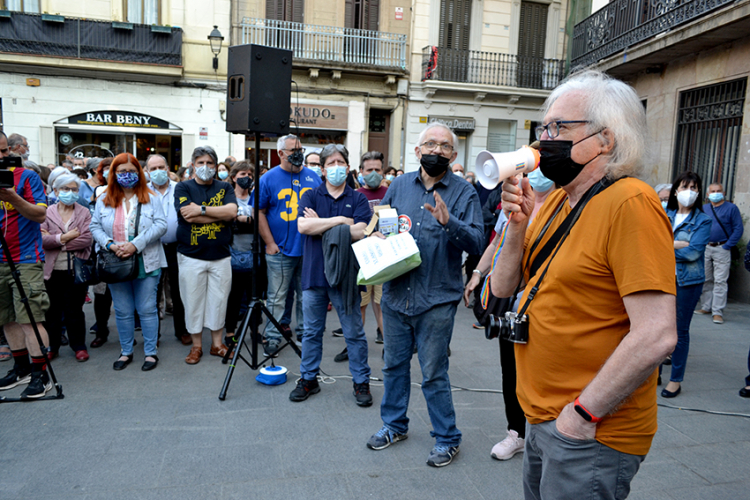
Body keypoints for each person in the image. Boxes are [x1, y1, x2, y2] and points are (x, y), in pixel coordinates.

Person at [489, 70, 677, 499]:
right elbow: (503, 288)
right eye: (544, 127)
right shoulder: (555, 198)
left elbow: (657, 334)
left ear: (606, 140)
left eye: (560, 128)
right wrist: (518, 225)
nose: (544, 140)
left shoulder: (630, 203)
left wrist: (581, 415)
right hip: (541, 416)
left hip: (588, 429)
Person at [366, 122, 483, 467]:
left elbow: (476, 242)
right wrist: (377, 239)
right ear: (417, 151)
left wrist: (450, 223)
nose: (436, 151)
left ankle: (447, 438)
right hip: (396, 294)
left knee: (433, 372)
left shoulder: (464, 193)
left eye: (444, 146)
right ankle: (394, 425)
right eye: (430, 144)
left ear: (454, 154)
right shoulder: (398, 186)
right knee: (393, 366)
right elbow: (381, 227)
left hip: (436, 299)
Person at [463, 165, 556, 462]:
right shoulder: (514, 207)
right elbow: (497, 242)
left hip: (545, 308)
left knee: (544, 371)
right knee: (510, 370)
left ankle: (547, 433)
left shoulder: (564, 207)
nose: (534, 177)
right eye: (530, 170)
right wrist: (478, 272)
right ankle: (516, 432)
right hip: (510, 307)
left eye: (541, 169)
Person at [290, 144, 373, 406]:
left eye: (340, 162)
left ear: (347, 168)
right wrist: (340, 221)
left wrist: (323, 224)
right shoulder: (311, 196)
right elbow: (303, 226)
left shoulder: (358, 198)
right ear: (323, 169)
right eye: (330, 163)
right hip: (314, 274)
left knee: (354, 332)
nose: (336, 167)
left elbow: (362, 230)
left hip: (347, 277)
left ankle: (361, 382)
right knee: (312, 332)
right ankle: (309, 379)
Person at [90, 153, 167, 371]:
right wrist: (110, 244)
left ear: (140, 173)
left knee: (146, 309)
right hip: (116, 261)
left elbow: (161, 225)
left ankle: (151, 353)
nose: (127, 175)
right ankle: (126, 352)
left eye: (132, 171)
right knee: (123, 310)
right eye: (122, 171)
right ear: (113, 174)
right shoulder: (104, 198)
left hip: (146, 261)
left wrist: (136, 244)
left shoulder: (152, 197)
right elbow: (94, 226)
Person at [257, 135, 321, 356]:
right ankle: (272, 336)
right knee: (276, 296)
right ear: (280, 153)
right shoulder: (268, 179)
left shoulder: (313, 177)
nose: (298, 153)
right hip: (280, 250)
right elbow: (259, 212)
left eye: (300, 149)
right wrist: (270, 243)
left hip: (309, 249)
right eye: (293, 149)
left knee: (307, 294)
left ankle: (305, 333)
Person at [0, 131, 52, 399]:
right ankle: (20, 368)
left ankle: (39, 373)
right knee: (7, 318)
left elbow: (40, 214)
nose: (3, 156)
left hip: (25, 258)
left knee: (30, 318)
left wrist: (12, 198)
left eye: (5, 150)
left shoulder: (26, 176)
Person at [174, 146, 237, 364]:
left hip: (221, 255)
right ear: (192, 165)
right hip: (191, 256)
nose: (205, 167)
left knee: (219, 300)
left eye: (210, 163)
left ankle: (217, 344)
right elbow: (187, 217)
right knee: (193, 302)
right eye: (200, 163)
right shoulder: (183, 187)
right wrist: (218, 214)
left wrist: (200, 210)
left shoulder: (225, 187)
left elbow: (232, 212)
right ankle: (197, 346)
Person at [332, 150, 389, 361]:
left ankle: (389, 346)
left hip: (386, 259)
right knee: (360, 305)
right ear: (361, 172)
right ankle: (353, 346)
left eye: (377, 169)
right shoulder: (354, 196)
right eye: (369, 170)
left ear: (383, 171)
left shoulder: (391, 192)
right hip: (361, 260)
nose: (373, 173)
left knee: (382, 304)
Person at [660, 171, 711, 398]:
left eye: (693, 187)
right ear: (676, 190)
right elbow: (650, 242)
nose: (688, 192)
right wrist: (677, 244)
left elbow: (693, 253)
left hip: (687, 282)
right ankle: (655, 374)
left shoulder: (703, 219)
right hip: (661, 278)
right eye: (684, 187)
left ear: (698, 192)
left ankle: (675, 380)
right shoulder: (664, 214)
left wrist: (666, 246)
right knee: (658, 329)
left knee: (679, 331)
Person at [40, 173, 92, 361]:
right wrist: (66, 237)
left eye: (74, 189)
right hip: (52, 271)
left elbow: (87, 239)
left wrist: (57, 241)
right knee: (52, 311)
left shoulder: (84, 212)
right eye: (65, 189)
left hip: (75, 270)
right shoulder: (46, 212)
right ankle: (52, 346)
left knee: (74, 310)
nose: (70, 193)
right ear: (55, 191)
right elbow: (41, 240)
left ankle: (79, 346)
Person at [145, 154, 189, 345]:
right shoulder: (143, 192)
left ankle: (182, 330)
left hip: (176, 246)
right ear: (147, 171)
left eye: (161, 167)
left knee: (179, 291)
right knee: (152, 293)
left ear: (168, 168)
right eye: (153, 168)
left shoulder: (179, 189)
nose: (157, 172)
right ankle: (153, 335)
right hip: (151, 247)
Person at [224, 161, 261, 345]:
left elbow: (261, 221)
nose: (246, 178)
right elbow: (226, 221)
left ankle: (255, 331)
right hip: (233, 252)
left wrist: (244, 220)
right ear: (233, 177)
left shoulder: (257, 196)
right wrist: (246, 221)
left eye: (249, 174)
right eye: (242, 174)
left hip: (254, 253)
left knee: (255, 295)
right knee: (234, 296)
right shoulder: (227, 197)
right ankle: (230, 332)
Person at [695, 182, 744, 324]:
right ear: (707, 194)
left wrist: (727, 245)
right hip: (706, 247)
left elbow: (738, 228)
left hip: (722, 247)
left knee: (720, 280)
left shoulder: (731, 208)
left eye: (719, 190)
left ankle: (717, 312)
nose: (716, 193)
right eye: (713, 191)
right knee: (706, 278)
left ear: (724, 193)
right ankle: (706, 306)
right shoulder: (704, 208)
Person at [90, 157, 114, 347]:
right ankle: (101, 329)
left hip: (126, 250)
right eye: (105, 169)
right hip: (104, 252)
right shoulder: (99, 192)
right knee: (101, 294)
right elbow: (95, 223)